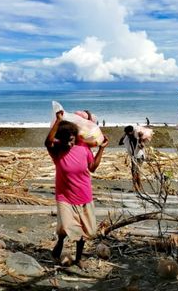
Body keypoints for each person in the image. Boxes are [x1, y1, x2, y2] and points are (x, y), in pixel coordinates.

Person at [45, 111, 109, 268]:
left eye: (72, 139)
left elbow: (92, 167)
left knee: (87, 230)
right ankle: (62, 241)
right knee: (69, 226)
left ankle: (78, 258)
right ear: (61, 139)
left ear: (75, 137)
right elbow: (48, 142)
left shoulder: (83, 148)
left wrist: (101, 148)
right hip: (64, 196)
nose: (69, 143)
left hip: (84, 195)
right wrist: (58, 122)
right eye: (66, 140)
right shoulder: (57, 151)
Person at [119, 125, 145, 191]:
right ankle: (139, 187)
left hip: (139, 157)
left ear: (131, 132)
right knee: (136, 172)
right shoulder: (128, 138)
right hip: (134, 157)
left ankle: (136, 187)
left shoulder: (136, 138)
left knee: (135, 172)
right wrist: (125, 134)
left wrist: (140, 139)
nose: (127, 135)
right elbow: (120, 142)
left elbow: (142, 145)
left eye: (127, 133)